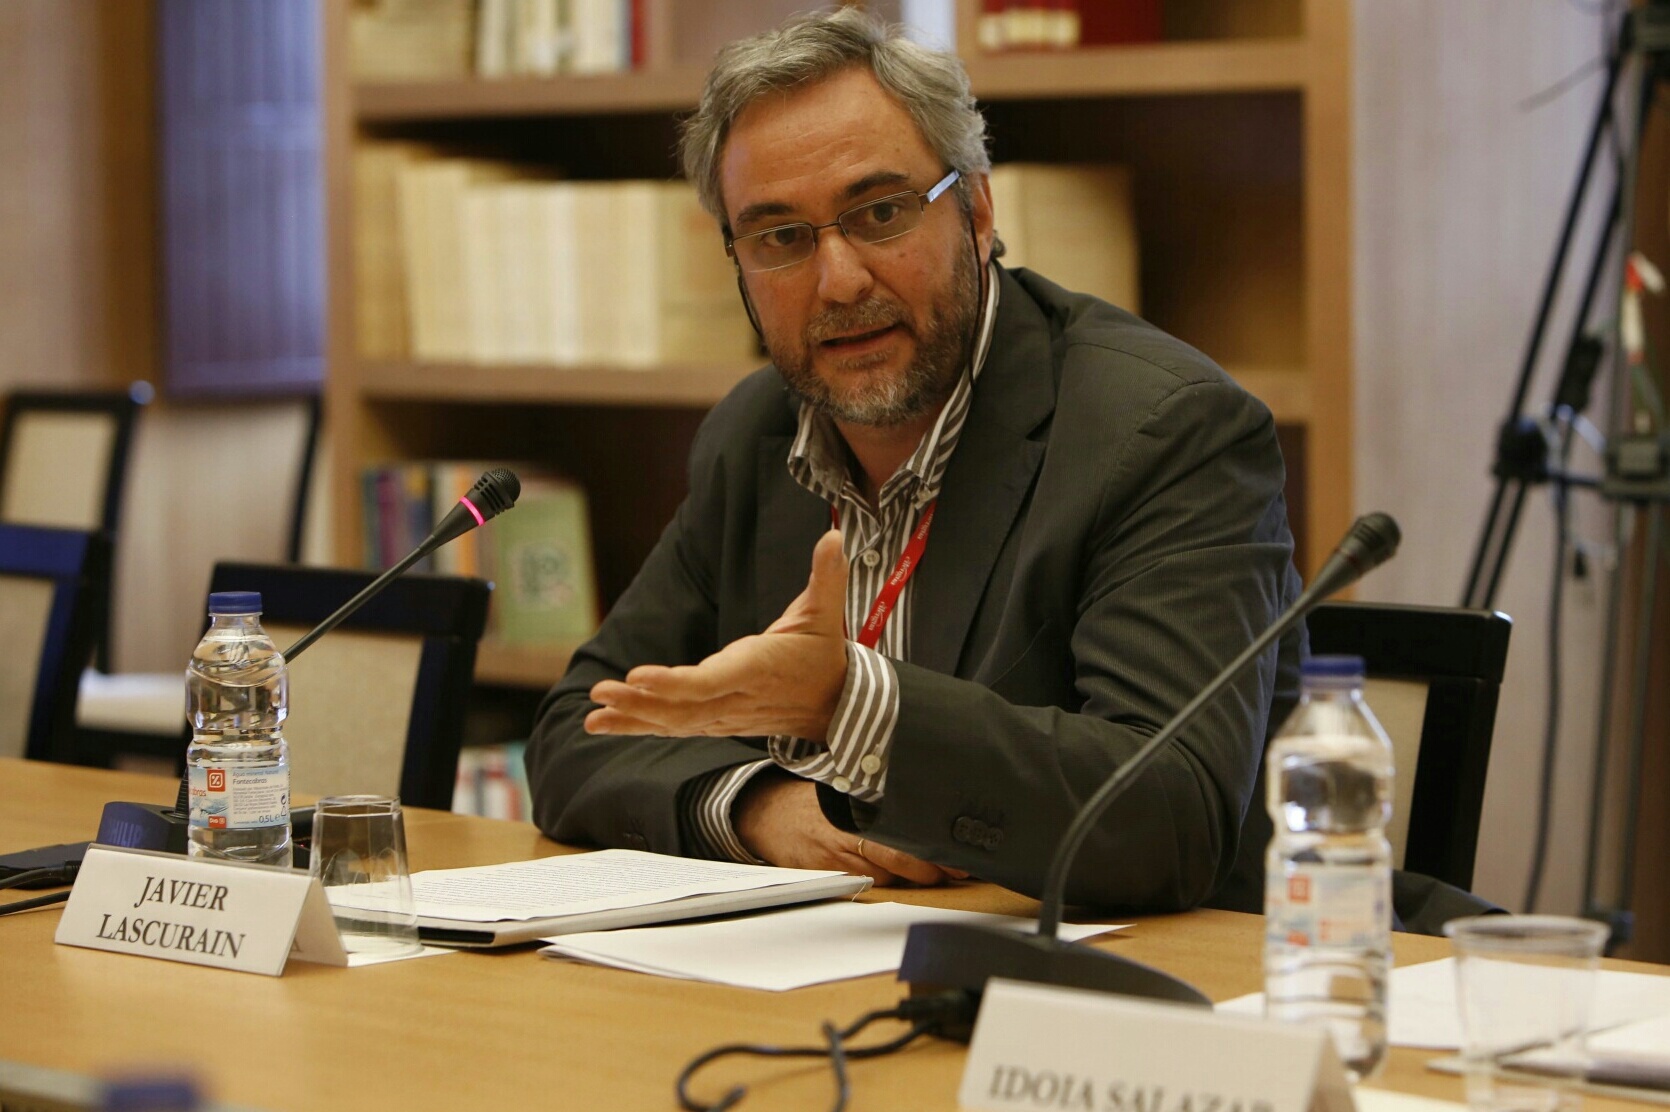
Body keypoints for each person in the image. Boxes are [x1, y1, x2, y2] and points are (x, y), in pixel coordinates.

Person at [524, 7, 1304, 913]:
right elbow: (579, 729)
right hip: (830, 959)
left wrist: (850, 704)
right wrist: (755, 808)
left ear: (977, 210)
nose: (839, 281)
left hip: (1137, 977)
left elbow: (1169, 816)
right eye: (780, 237)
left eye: (882, 213)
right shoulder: (755, 433)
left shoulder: (1162, 431)